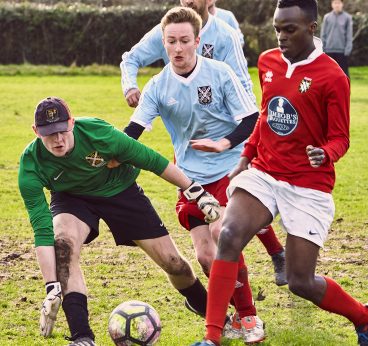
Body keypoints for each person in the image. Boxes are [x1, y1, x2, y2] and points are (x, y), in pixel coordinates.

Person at [192, 0, 368, 345]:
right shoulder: (267, 62)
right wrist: (245, 157)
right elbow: (265, 116)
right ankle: (212, 337)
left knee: (300, 281)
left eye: (289, 29)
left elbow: (341, 138)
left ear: (312, 28)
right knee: (230, 234)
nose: (280, 36)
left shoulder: (333, 76)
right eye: (277, 28)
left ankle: (366, 317)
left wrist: (324, 153)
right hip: (265, 172)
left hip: (309, 184)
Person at [18, 97, 222, 346]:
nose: (58, 140)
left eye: (62, 131)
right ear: (36, 131)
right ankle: (82, 337)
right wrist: (51, 286)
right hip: (72, 198)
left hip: (120, 190)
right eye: (49, 134)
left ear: (72, 123)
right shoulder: (31, 162)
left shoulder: (99, 134)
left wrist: (194, 190)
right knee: (63, 244)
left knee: (174, 264)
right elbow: (41, 228)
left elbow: (150, 159)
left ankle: (213, 315)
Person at [122, 6, 267, 343]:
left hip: (229, 170)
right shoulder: (158, 85)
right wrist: (107, 154)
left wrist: (224, 143)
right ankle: (231, 314)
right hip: (189, 179)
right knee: (204, 256)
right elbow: (134, 130)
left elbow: (251, 118)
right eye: (171, 41)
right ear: (164, 42)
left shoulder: (219, 74)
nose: (178, 48)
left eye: (185, 41)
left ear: (197, 41)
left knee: (222, 231)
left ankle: (249, 317)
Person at [121, 0, 253, 109]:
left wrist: (251, 123)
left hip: (222, 124)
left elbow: (242, 84)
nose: (188, 1)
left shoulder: (226, 35)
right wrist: (130, 87)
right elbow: (131, 58)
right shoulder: (165, 32)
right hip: (184, 125)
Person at [321, 0, 353, 77]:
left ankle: (345, 89)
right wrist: (323, 49)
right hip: (328, 50)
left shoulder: (347, 18)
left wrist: (347, 49)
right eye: (335, 3)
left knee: (344, 75)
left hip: (342, 51)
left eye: (339, 3)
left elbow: (349, 35)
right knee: (328, 75)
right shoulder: (327, 17)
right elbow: (323, 34)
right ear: (332, 4)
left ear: (342, 4)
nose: (337, 5)